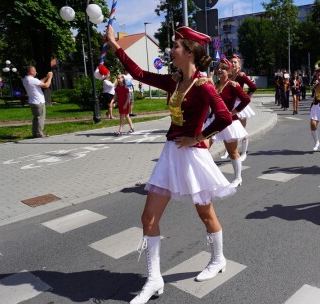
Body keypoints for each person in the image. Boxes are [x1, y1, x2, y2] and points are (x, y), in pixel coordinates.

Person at [106, 24, 234, 304]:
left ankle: (218, 258)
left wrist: (198, 137)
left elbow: (224, 117)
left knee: (205, 214)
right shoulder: (175, 81)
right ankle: (154, 279)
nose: (171, 50)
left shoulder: (204, 85)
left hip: (193, 156)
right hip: (169, 155)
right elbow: (139, 74)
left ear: (189, 52)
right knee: (148, 217)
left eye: (176, 46)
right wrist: (115, 46)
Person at [212, 58, 250, 187]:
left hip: (229, 123)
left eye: (222, 68)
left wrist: (234, 111)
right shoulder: (216, 84)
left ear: (228, 71)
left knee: (232, 152)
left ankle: (238, 178)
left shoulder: (233, 85)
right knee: (203, 148)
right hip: (213, 121)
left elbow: (246, 99)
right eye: (218, 67)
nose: (219, 70)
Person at [219, 54, 256, 162]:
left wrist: (247, 96)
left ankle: (243, 152)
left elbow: (253, 86)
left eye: (236, 62)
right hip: (230, 105)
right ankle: (228, 150)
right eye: (232, 62)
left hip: (240, 105)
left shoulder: (241, 76)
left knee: (242, 131)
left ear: (239, 65)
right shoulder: (229, 76)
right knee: (228, 129)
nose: (233, 63)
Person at [22, 66, 52, 138]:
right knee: (41, 118)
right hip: (39, 102)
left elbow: (39, 82)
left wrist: (46, 77)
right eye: (35, 71)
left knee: (36, 118)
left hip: (32, 101)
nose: (36, 72)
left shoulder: (25, 79)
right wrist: (50, 77)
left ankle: (35, 133)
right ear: (31, 72)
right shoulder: (32, 80)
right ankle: (39, 134)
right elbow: (46, 85)